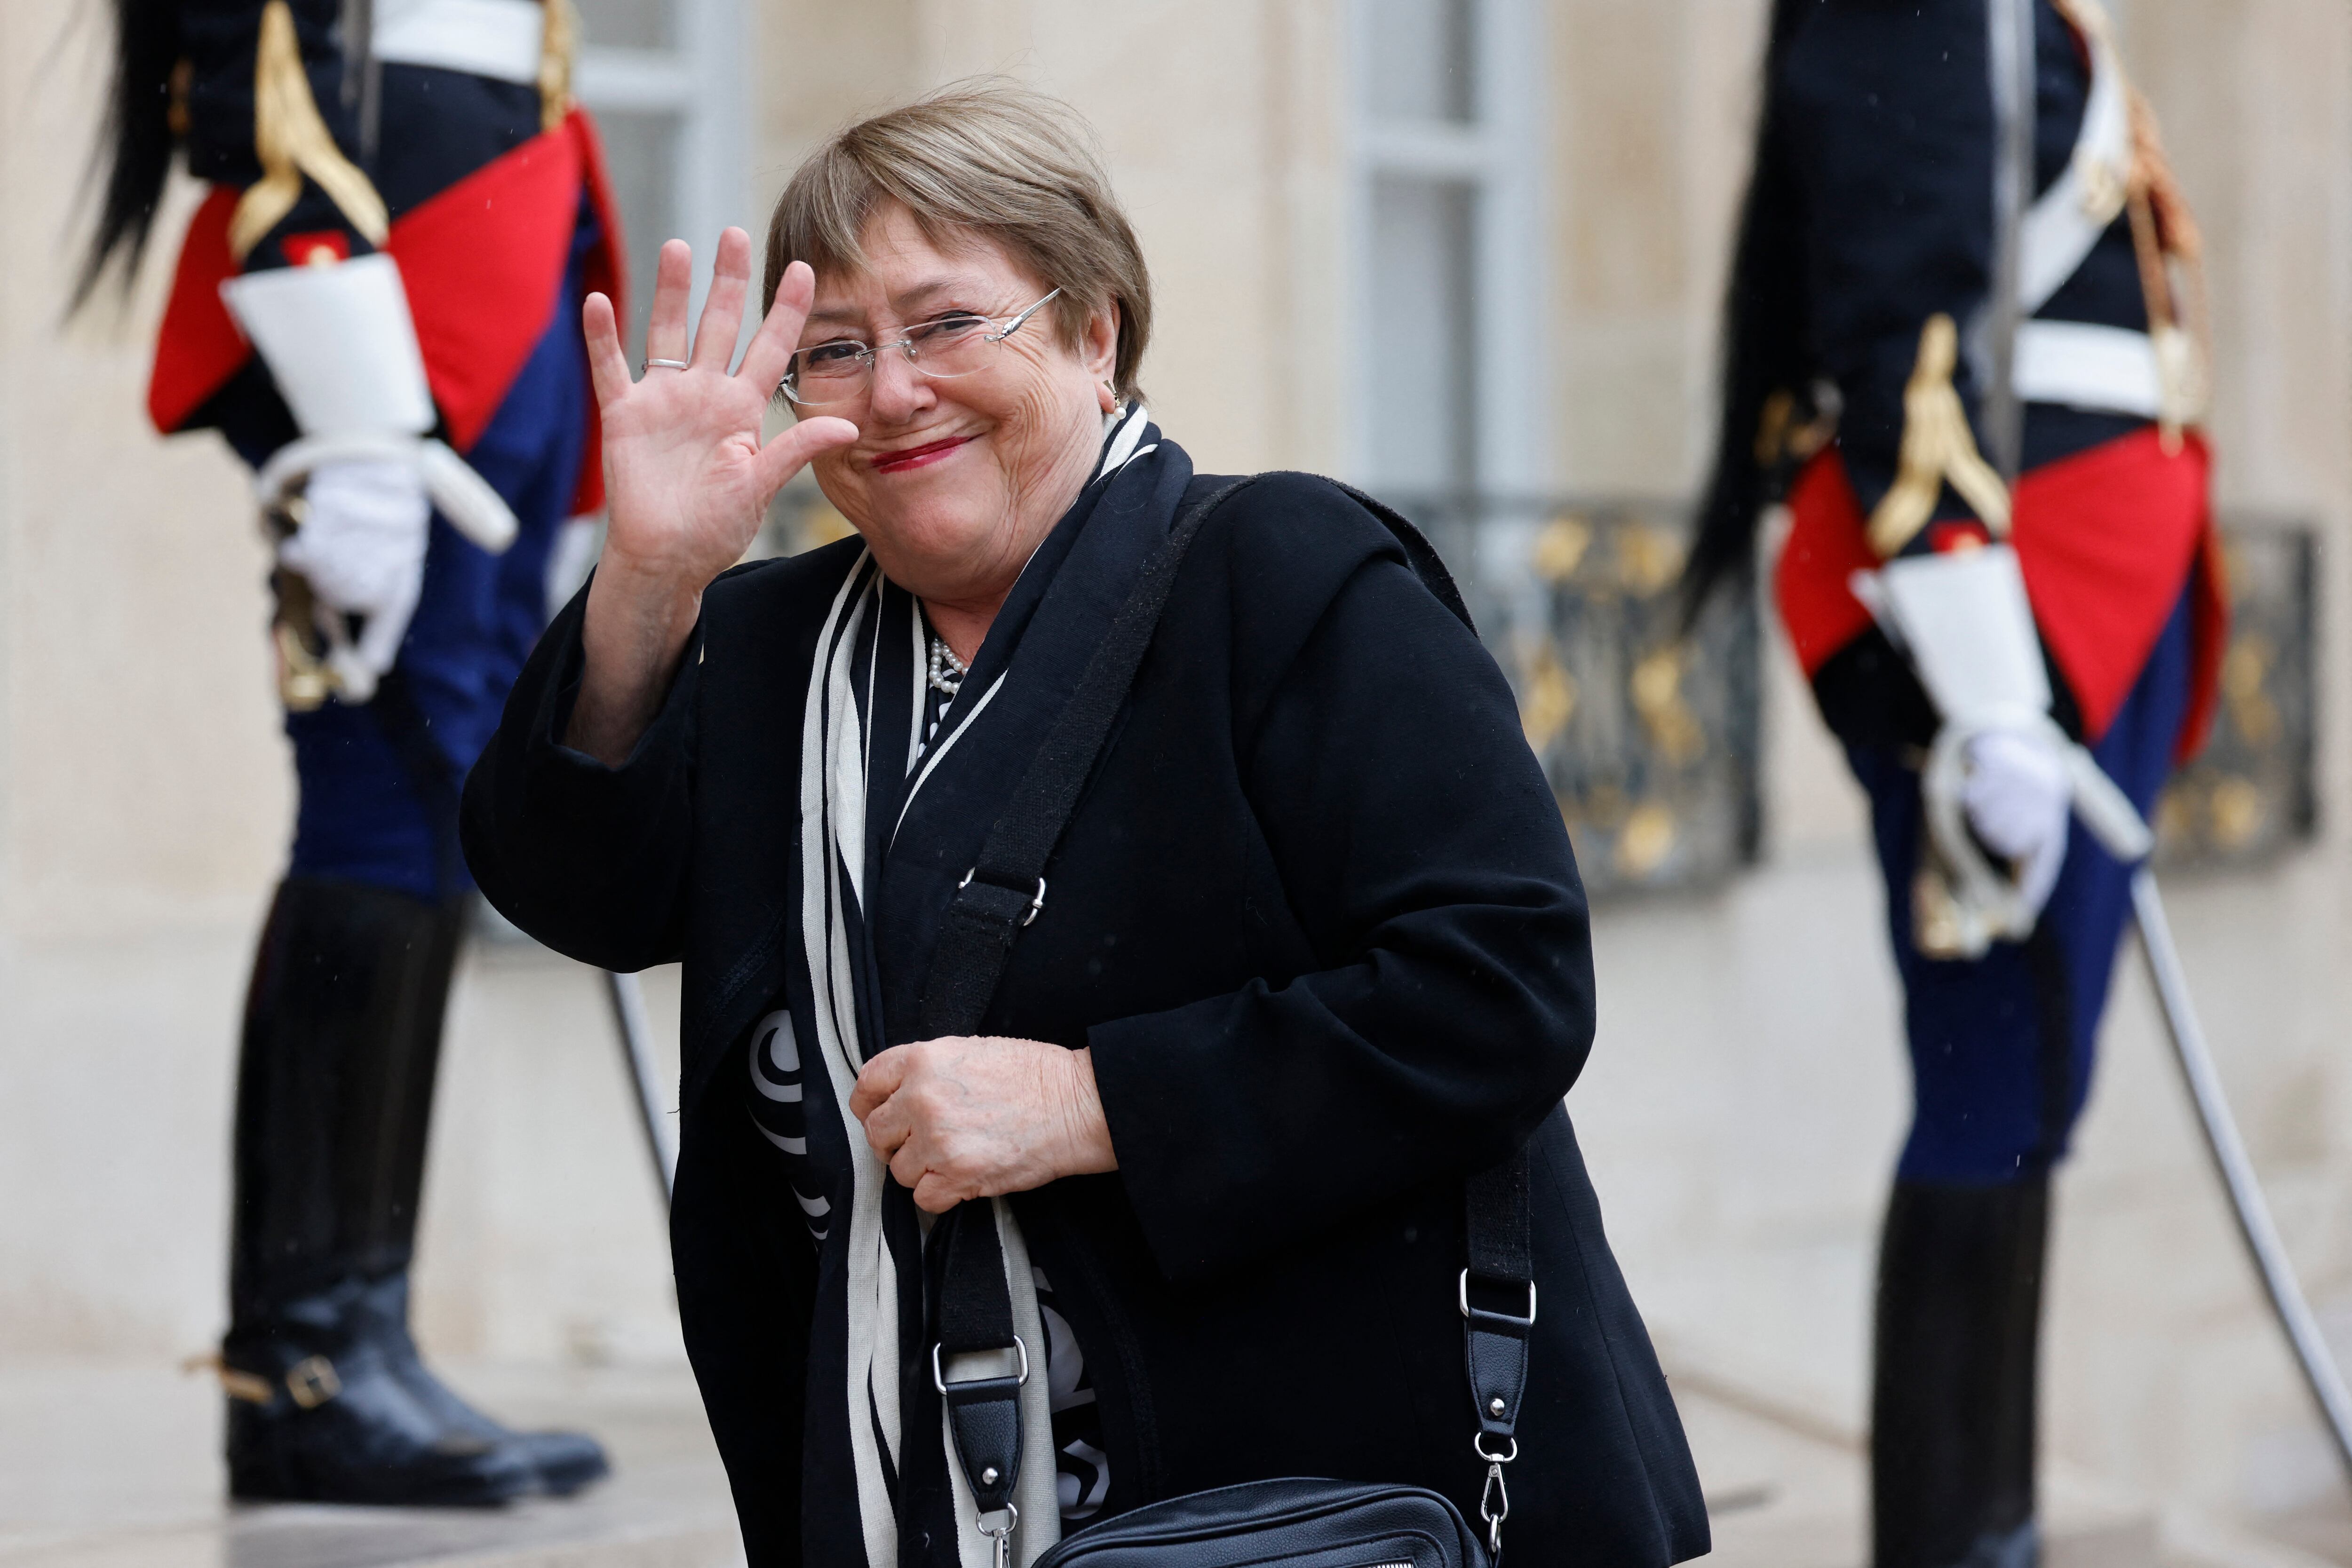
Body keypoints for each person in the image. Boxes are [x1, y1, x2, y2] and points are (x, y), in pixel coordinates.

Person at [461, 83, 1710, 1567]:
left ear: (1094, 329)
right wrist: (650, 582)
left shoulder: (1285, 573)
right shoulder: (765, 650)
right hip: (901, 1509)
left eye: (945, 325)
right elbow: (574, 889)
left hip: (1320, 1511)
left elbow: (1503, 987)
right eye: (837, 351)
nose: (894, 392)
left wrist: (1090, 1104)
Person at [1682, 5, 2225, 1568]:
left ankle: (1999, 1525)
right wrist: (1990, 694)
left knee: (2029, 1091)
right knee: (1991, 1088)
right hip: (2012, 610)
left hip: (2090, 584)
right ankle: (1956, 1539)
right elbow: (1900, 318)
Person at [77, 0, 623, 1505]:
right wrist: (360, 416)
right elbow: (261, 55)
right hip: (390, 277)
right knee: (386, 789)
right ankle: (308, 1361)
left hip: (506, 232)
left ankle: (359, 1338)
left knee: (444, 794)